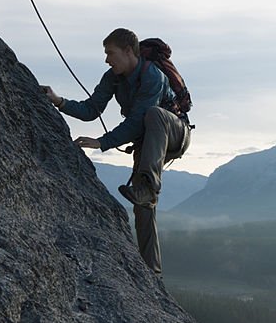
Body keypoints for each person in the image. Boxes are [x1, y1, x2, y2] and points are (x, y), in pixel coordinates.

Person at [42, 28, 191, 275]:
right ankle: (151, 271)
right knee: (144, 203)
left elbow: (137, 121)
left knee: (153, 117)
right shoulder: (113, 77)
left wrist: (102, 142)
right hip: (149, 139)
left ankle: (146, 185)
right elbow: (92, 109)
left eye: (110, 53)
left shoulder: (152, 76)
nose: (107, 59)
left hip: (176, 132)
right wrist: (59, 101)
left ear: (129, 51)